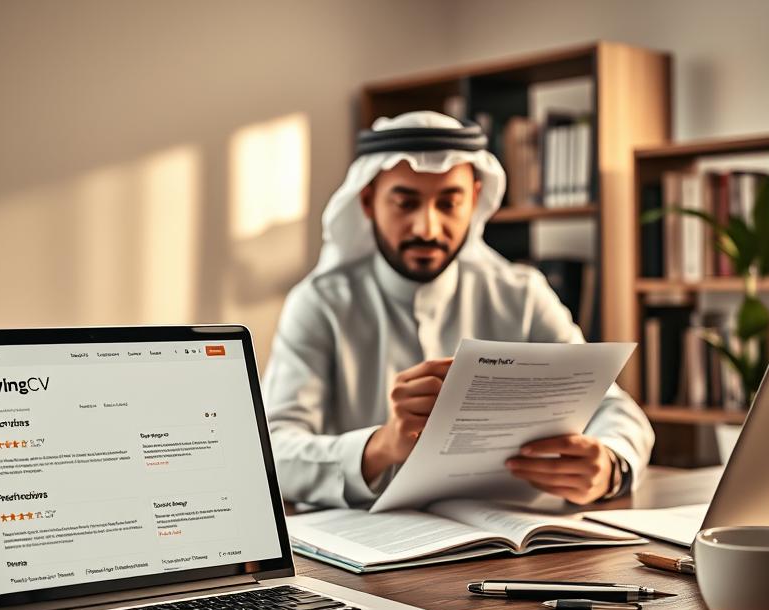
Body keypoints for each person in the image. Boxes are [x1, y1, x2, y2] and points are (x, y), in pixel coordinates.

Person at [262, 111, 654, 510]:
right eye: (405, 202)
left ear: (475, 200)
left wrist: (608, 467)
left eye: (449, 203)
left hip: (508, 541)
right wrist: (382, 444)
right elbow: (272, 450)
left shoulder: (520, 294)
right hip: (360, 548)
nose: (427, 228)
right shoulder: (321, 303)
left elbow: (614, 408)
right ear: (368, 201)